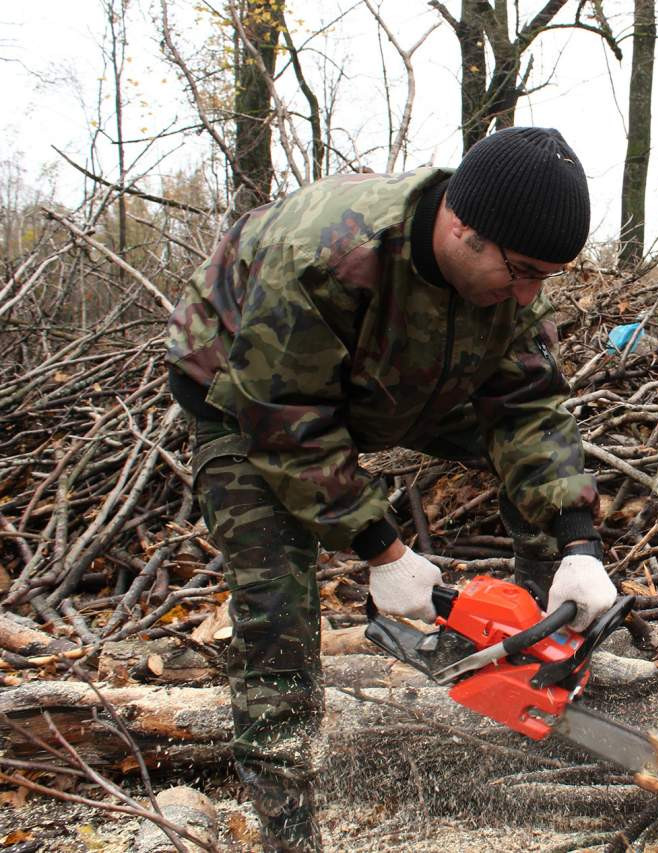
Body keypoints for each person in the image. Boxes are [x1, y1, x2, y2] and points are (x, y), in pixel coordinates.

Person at [166, 127, 618, 851]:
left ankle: (549, 650)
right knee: (273, 598)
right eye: (523, 271)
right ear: (462, 228)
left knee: (532, 471)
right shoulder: (327, 253)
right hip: (242, 395)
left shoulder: (507, 272)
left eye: (547, 277)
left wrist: (578, 539)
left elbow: (531, 409)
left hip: (397, 379)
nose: (530, 293)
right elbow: (285, 416)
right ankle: (289, 820)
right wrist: (383, 551)